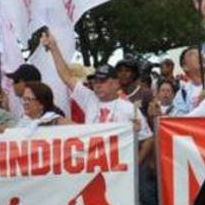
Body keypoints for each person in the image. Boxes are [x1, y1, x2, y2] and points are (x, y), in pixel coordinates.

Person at [42, 31, 153, 161]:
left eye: (103, 81)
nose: (97, 85)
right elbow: (67, 77)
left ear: (116, 83)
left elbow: (148, 138)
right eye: (96, 81)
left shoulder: (129, 108)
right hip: (93, 164)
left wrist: (135, 164)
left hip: (118, 172)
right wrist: (54, 48)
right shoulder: (90, 99)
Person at [171, 47, 205, 115]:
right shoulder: (182, 94)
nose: (199, 55)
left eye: (200, 53)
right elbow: (181, 122)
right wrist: (199, 104)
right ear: (185, 66)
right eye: (192, 54)